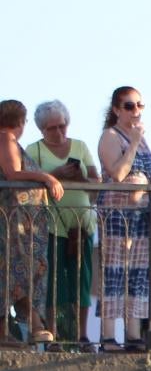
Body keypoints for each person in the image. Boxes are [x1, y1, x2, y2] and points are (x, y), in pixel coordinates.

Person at [25, 102, 95, 346]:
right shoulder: (34, 151)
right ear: (42, 129)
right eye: (52, 128)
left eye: (62, 126)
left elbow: (97, 180)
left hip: (81, 224)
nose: (58, 132)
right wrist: (55, 173)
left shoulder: (81, 146)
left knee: (82, 282)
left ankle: (82, 335)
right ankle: (53, 333)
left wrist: (80, 177)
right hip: (50, 225)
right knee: (53, 282)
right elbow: (27, 184)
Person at [96, 86, 151, 350]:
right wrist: (132, 142)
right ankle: (108, 336)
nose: (136, 111)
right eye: (130, 106)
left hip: (141, 218)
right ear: (117, 110)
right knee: (114, 272)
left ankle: (133, 334)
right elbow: (118, 174)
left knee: (137, 274)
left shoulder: (143, 140)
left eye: (140, 105)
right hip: (117, 216)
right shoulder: (110, 136)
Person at [0, 100, 62, 345]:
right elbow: (13, 173)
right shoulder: (6, 138)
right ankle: (34, 325)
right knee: (21, 270)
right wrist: (45, 177)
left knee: (16, 271)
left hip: (22, 222)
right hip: (14, 224)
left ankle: (14, 331)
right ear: (21, 121)